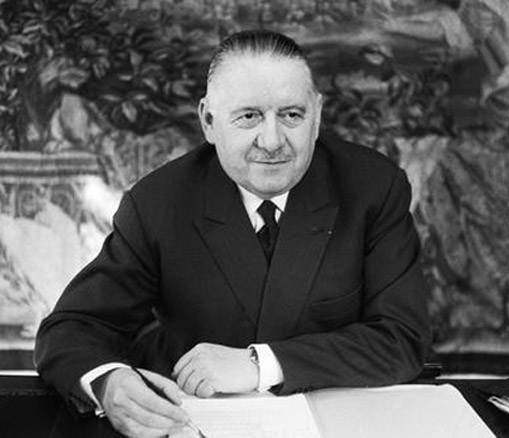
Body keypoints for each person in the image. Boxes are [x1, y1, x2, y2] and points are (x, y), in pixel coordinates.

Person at [35, 29, 431, 437]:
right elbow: (70, 328)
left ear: (317, 116)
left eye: (292, 115)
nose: (272, 141)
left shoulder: (373, 188)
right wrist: (108, 383)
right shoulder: (158, 203)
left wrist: (260, 364)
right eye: (249, 116)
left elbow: (402, 338)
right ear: (208, 121)